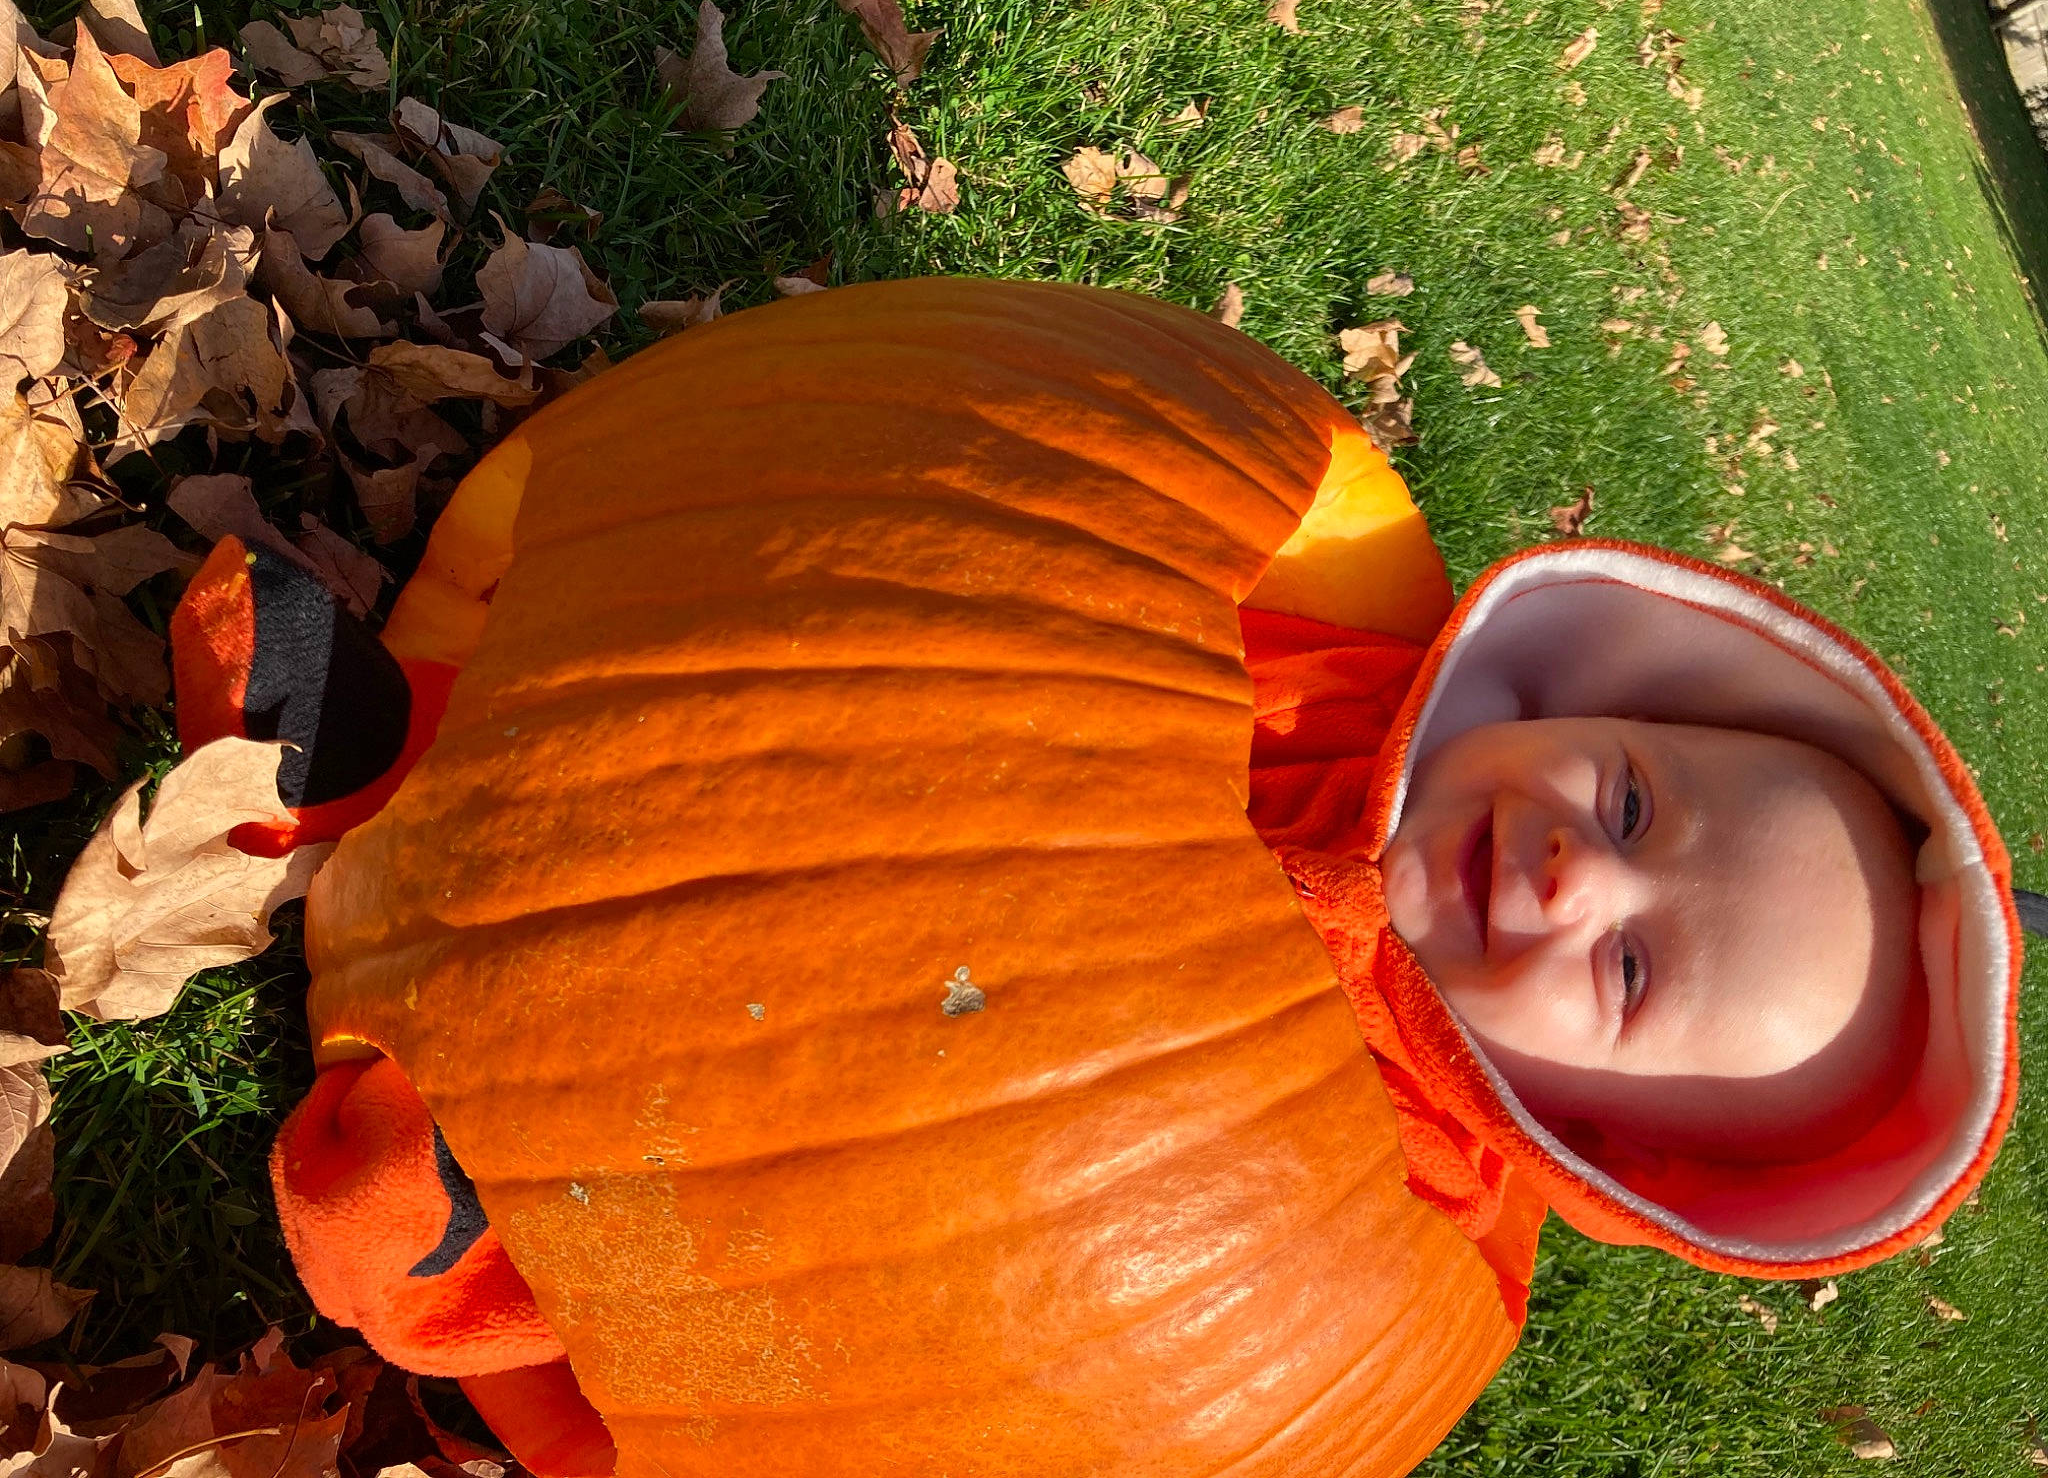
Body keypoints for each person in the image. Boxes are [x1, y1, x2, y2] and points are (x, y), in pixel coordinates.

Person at [147, 279, 2024, 1472]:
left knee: (713, 1281)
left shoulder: (1396, 1257)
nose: (1564, 869)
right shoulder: (1324, 634)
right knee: (719, 665)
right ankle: (397, 744)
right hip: (702, 780)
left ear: (1594, 1141)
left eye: (1623, 975)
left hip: (727, 1136)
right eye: (1628, 798)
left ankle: (472, 1261)